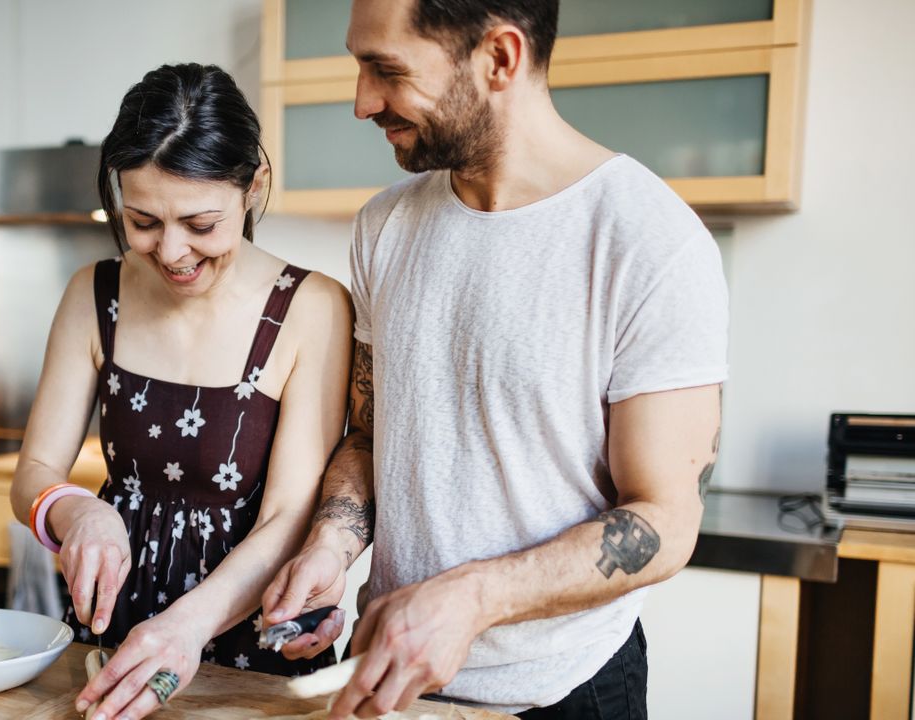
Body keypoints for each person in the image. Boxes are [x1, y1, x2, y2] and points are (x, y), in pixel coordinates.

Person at [261, 0, 728, 717]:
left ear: (501, 58)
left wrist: (472, 599)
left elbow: (666, 520)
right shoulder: (385, 225)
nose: (362, 102)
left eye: (386, 70)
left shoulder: (647, 241)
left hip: (565, 690)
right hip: (393, 676)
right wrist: (331, 546)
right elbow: (370, 435)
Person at [9, 63, 353, 720]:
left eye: (200, 224)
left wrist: (188, 627)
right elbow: (34, 472)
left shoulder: (312, 307)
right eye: (142, 220)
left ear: (254, 187)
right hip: (115, 641)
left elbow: (288, 517)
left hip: (253, 637)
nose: (170, 253)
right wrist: (76, 513)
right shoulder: (93, 293)